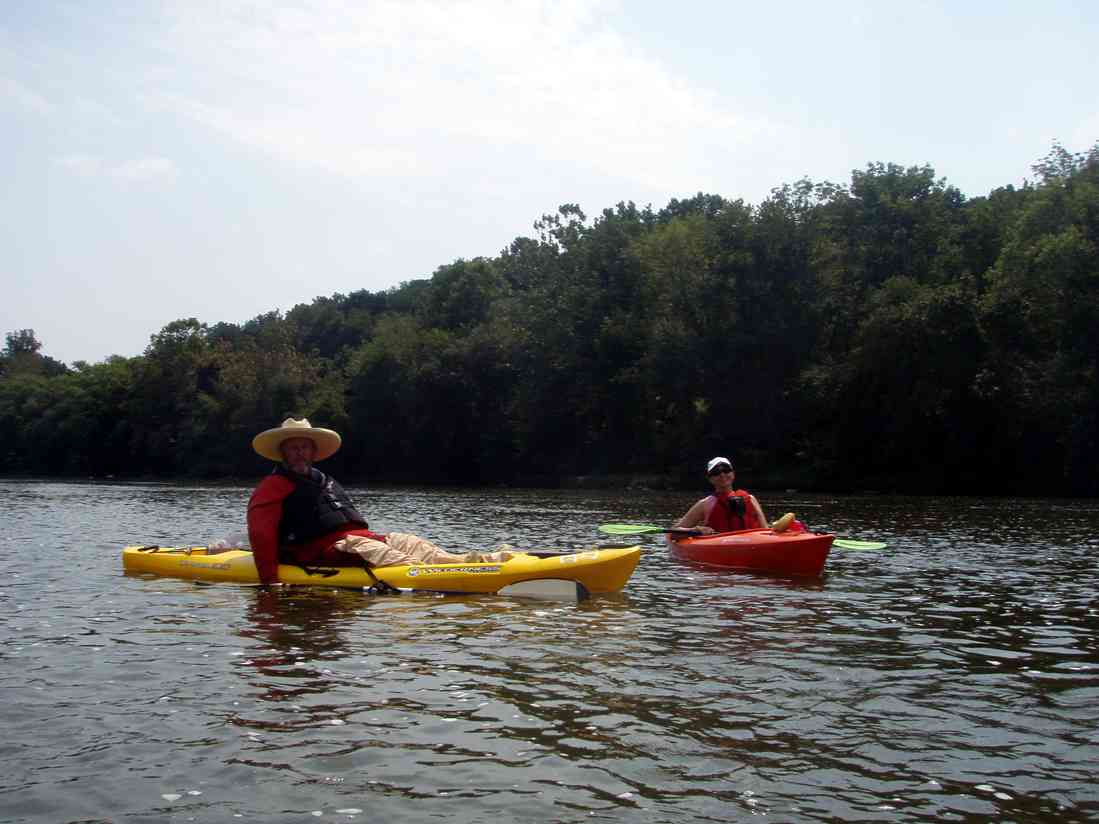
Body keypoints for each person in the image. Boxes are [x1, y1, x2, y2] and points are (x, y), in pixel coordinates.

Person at [246, 417, 511, 586]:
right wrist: (270, 581)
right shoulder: (272, 487)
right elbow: (261, 535)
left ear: (313, 451)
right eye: (293, 448)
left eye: (304, 447)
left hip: (357, 538)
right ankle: (449, 580)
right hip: (319, 550)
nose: (299, 453)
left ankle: (478, 562)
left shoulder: (322, 480)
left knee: (410, 541)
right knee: (391, 556)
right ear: (283, 453)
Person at [673, 456, 794, 535]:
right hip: (720, 546)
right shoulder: (704, 504)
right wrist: (694, 530)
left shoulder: (750, 499)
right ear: (710, 479)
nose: (722, 474)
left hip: (753, 543)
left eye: (726, 470)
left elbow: (765, 530)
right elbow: (673, 533)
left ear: (733, 474)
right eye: (716, 472)